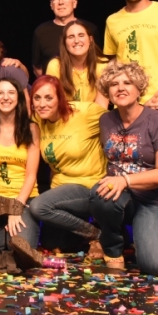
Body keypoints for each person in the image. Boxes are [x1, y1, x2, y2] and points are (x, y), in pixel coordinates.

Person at [89, 60, 158, 274]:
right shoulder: (106, 120)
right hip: (120, 197)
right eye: (114, 84)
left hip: (155, 200)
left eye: (127, 83)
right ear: (107, 92)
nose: (120, 88)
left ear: (139, 89)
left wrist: (126, 180)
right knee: (99, 195)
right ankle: (112, 245)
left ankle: (143, 233)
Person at [28, 75, 107, 255]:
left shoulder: (85, 113)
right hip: (60, 189)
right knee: (52, 243)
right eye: (37, 98)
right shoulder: (39, 120)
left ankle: (97, 234)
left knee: (39, 206)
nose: (42, 103)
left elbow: (119, 117)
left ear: (60, 99)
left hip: (89, 185)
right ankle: (96, 231)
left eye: (49, 98)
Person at [0, 78, 41, 250]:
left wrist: (15, 208)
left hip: (23, 197)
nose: (6, 97)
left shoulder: (32, 128)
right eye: (0, 93)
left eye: (11, 92)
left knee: (19, 247)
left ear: (18, 98)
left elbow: (31, 175)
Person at [31, 0, 98, 77]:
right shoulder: (41, 32)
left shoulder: (90, 29)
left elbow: (98, 60)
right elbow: (37, 67)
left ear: (75, 3)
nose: (60, 2)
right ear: (51, 5)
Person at [45, 20, 109, 106]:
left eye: (81, 35)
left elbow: (101, 107)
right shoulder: (55, 65)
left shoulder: (102, 65)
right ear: (65, 42)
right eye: (71, 37)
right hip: (65, 118)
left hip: (93, 118)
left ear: (90, 40)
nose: (76, 40)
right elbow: (53, 104)